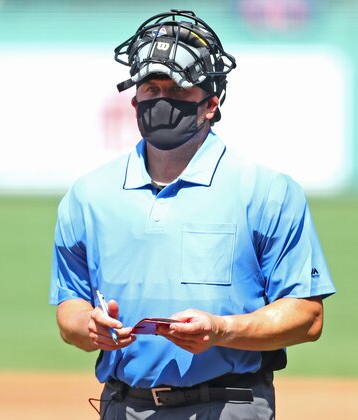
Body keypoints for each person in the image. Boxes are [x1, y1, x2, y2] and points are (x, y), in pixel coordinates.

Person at [50, 9, 335, 420]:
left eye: (179, 89)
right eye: (151, 88)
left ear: (210, 104)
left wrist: (223, 330)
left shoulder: (267, 190)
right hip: (124, 405)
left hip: (230, 405)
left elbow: (307, 318)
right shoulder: (88, 196)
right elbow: (69, 307)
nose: (162, 100)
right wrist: (88, 327)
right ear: (134, 100)